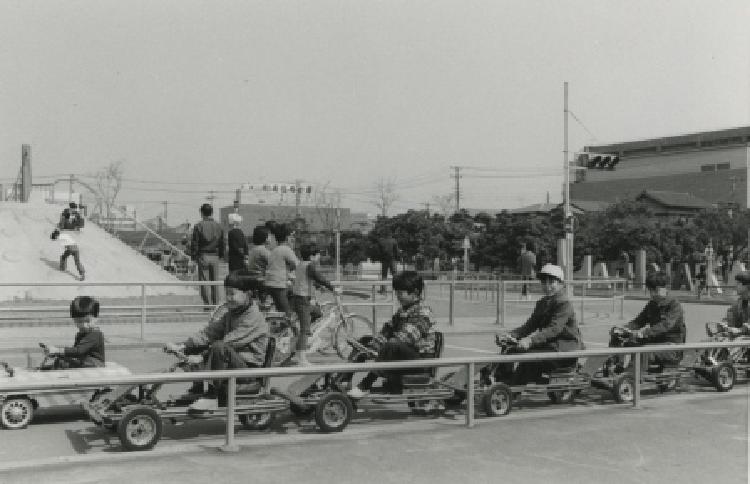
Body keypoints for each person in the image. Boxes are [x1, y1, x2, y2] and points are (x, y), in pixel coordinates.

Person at [164, 272, 270, 412]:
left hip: (248, 371)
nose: (228, 298)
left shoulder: (253, 317)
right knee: (198, 345)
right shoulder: (232, 313)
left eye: (232, 294)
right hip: (233, 362)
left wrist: (202, 357)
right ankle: (198, 388)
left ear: (247, 294)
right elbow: (209, 333)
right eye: (226, 293)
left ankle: (212, 396)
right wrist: (183, 346)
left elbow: (230, 342)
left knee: (219, 347)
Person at [347, 271, 436, 398]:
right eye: (396, 293)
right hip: (404, 354)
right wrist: (373, 345)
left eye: (400, 293)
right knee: (365, 340)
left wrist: (380, 349)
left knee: (392, 345)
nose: (397, 296)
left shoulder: (424, 313)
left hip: (420, 361)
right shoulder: (402, 311)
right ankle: (345, 378)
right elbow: (387, 330)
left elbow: (406, 337)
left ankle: (365, 385)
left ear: (415, 292)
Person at [494, 264, 583, 385]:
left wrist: (530, 340)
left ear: (561, 284)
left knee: (529, 359)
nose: (547, 286)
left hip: (565, 349)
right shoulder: (542, 303)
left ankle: (510, 390)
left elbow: (554, 329)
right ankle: (501, 383)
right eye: (544, 282)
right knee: (510, 350)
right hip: (550, 346)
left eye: (552, 282)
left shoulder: (564, 304)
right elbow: (529, 326)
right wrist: (510, 335)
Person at [608, 271, 686, 372]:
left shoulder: (674, 305)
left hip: (671, 346)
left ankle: (633, 378)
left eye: (655, 290)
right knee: (624, 341)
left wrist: (644, 333)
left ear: (664, 288)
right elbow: (638, 321)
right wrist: (624, 328)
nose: (652, 293)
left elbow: (666, 325)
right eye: (651, 290)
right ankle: (615, 367)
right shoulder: (652, 304)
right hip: (654, 341)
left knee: (643, 352)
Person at [290, 243, 340, 366]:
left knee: (318, 313)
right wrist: (332, 288)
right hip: (303, 300)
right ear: (312, 256)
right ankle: (300, 357)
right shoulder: (310, 266)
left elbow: (308, 279)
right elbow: (319, 278)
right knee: (305, 330)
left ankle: (307, 339)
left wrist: (318, 287)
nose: (318, 257)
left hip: (300, 298)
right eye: (317, 254)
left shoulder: (301, 265)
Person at [44, 296, 105, 368]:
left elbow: (79, 351)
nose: (84, 325)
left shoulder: (95, 334)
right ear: (74, 320)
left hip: (95, 363)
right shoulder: (80, 334)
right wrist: (57, 353)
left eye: (88, 321)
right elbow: (75, 353)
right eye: (79, 322)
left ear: (96, 319)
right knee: (60, 359)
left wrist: (58, 350)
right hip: (86, 361)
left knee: (62, 362)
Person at [191, 203, 225, 309]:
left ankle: (207, 304)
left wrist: (194, 256)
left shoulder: (198, 226)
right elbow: (222, 242)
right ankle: (216, 304)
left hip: (203, 255)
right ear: (212, 212)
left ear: (202, 213)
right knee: (215, 281)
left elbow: (195, 243)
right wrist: (221, 255)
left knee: (204, 282)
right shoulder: (219, 226)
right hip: (215, 255)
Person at [264, 222, 298, 317]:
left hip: (271, 285)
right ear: (287, 238)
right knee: (287, 315)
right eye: (292, 237)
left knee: (283, 310)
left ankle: (283, 328)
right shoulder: (286, 250)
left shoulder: (275, 250)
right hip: (279, 286)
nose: (294, 239)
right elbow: (299, 267)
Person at [246, 225, 271, 299]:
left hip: (253, 280)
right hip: (261, 281)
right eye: (269, 236)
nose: (270, 238)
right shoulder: (263, 251)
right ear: (265, 237)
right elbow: (274, 262)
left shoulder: (253, 249)